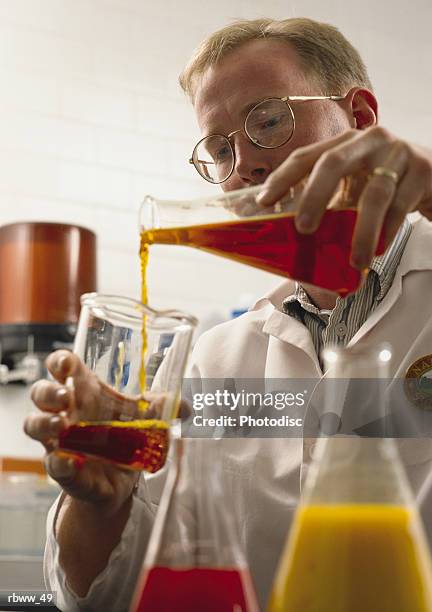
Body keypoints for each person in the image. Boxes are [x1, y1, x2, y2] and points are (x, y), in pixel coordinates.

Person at [25, 17, 432, 611]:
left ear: (361, 118)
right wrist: (100, 505)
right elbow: (104, 598)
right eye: (220, 149)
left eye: (267, 121)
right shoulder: (209, 364)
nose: (244, 165)